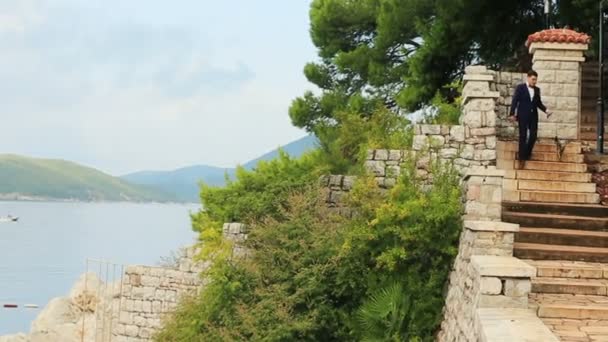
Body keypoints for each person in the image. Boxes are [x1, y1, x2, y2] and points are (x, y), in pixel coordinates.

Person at [509, 70, 552, 161]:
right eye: (533, 79)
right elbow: (515, 101)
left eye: (536, 80)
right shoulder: (520, 88)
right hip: (523, 115)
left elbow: (538, 103)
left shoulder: (537, 90)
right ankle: (521, 157)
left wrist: (546, 110)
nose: (534, 81)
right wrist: (512, 113)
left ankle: (527, 153)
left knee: (533, 136)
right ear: (528, 78)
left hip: (533, 116)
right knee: (523, 135)